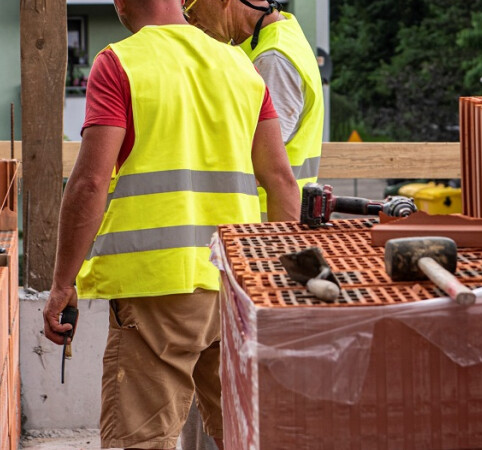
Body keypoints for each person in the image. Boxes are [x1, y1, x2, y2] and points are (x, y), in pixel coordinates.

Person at [41, 0, 300, 448]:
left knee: (141, 439)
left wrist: (63, 283)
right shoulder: (239, 65)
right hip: (233, 285)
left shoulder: (120, 62)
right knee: (245, 434)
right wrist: (274, 286)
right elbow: (281, 183)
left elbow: (89, 183)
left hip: (156, 290)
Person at [185, 0, 325, 220]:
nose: (190, 19)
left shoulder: (273, 59)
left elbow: (256, 157)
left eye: (193, 7)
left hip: (263, 225)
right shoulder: (268, 42)